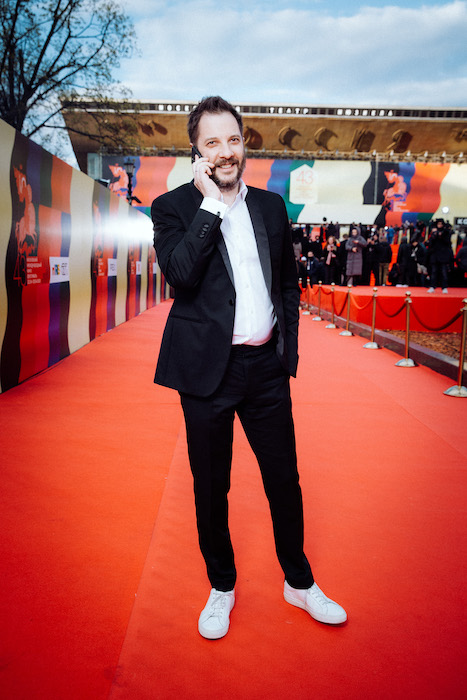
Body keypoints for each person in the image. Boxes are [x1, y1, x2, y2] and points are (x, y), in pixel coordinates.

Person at [151, 96, 347, 640]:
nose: (225, 151)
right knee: (211, 487)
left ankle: (299, 581)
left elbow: (287, 284)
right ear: (196, 151)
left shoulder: (270, 206)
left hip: (265, 369)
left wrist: (287, 354)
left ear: (244, 144)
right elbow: (180, 276)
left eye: (233, 139)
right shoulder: (171, 207)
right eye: (212, 142)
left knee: (284, 479)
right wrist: (211, 206)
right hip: (206, 375)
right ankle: (222, 586)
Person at [426, 219, 453, 293]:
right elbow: (430, 243)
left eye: (441, 224)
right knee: (434, 272)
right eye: (438, 224)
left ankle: (444, 287)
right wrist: (434, 235)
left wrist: (442, 236)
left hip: (443, 256)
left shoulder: (446, 233)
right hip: (435, 256)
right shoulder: (434, 233)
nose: (440, 225)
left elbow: (448, 243)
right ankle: (432, 286)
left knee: (443, 272)